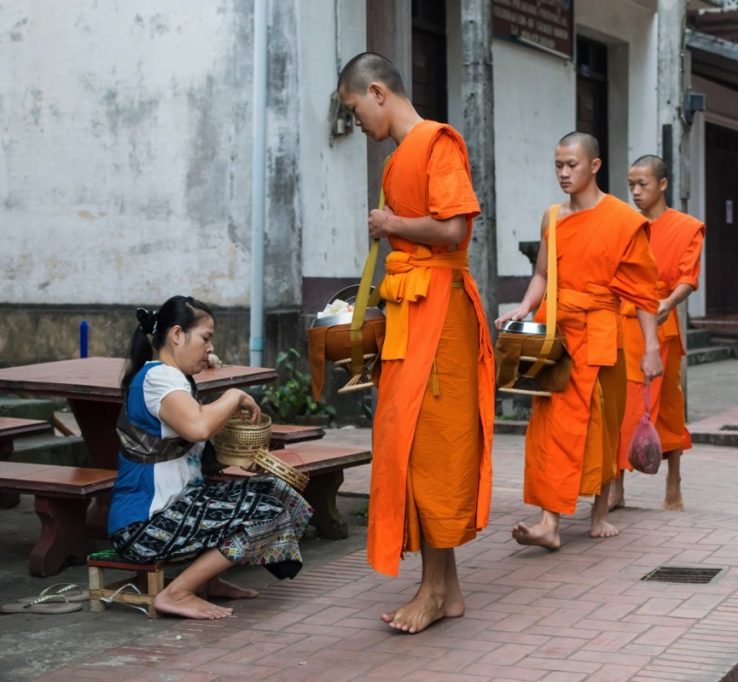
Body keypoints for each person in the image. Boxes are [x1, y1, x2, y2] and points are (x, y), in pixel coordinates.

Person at [337, 52, 494, 634]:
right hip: (411, 311)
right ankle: (445, 589)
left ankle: (431, 591)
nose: (356, 124)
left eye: (355, 111)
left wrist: (392, 226)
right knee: (412, 442)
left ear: (378, 92)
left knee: (436, 446)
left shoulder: (436, 142)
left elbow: (454, 228)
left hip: (442, 314)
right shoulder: (398, 160)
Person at [496, 132, 662, 550]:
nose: (564, 173)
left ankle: (600, 510)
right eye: (558, 165)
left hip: (601, 331)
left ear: (595, 166)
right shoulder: (552, 216)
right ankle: (548, 522)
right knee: (551, 426)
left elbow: (643, 293)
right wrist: (522, 307)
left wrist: (652, 349)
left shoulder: (624, 220)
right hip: (556, 334)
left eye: (572, 165)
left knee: (601, 427)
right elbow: (542, 274)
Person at [109, 295, 312, 620]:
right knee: (267, 514)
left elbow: (186, 444)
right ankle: (177, 592)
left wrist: (237, 458)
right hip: (144, 527)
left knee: (278, 493)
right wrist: (233, 395)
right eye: (205, 338)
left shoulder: (173, 378)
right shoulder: (159, 379)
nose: (209, 347)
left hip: (177, 509)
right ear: (177, 335)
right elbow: (199, 426)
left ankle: (209, 579)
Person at [611, 155, 704, 512]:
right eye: (631, 185)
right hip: (625, 322)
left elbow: (688, 277)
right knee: (625, 405)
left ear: (663, 185)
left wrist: (668, 302)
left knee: (667, 405)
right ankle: (616, 483)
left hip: (663, 325)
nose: (635, 192)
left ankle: (673, 480)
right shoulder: (624, 225)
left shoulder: (686, 227)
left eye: (643, 185)